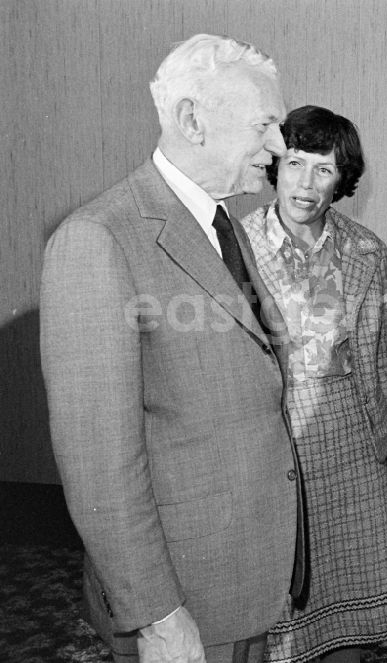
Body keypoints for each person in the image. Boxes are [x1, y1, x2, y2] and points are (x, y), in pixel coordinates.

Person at [40, 34, 300, 663]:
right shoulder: (98, 240)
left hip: (241, 579)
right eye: (266, 124)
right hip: (180, 601)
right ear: (192, 119)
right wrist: (156, 615)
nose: (279, 146)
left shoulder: (222, 225)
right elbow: (98, 460)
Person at [240, 105, 387, 663]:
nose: (306, 184)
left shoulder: (366, 250)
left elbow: (375, 354)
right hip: (271, 430)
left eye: (324, 169)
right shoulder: (234, 249)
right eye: (295, 163)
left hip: (347, 432)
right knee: (281, 593)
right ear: (276, 167)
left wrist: (382, 444)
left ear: (343, 180)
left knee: (350, 586)